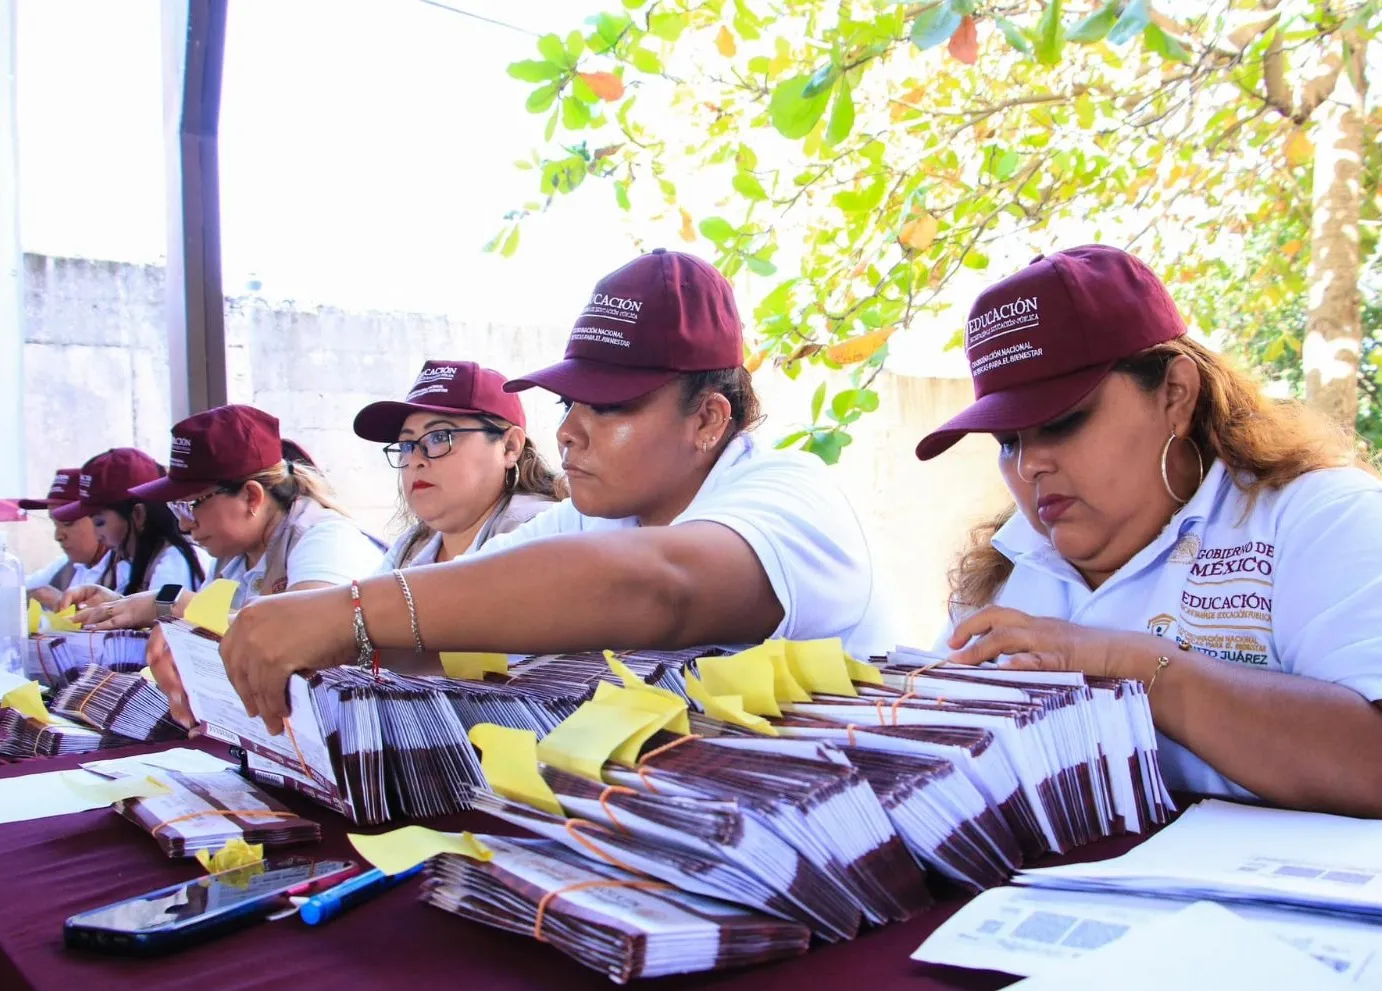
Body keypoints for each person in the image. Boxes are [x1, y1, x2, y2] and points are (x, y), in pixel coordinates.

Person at [199, 249, 896, 731]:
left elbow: (657, 588)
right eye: (570, 405)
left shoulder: (789, 494)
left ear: (709, 419)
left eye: (611, 406)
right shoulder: (596, 521)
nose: (570, 433)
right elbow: (456, 612)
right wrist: (267, 641)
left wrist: (348, 611)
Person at [921, 244, 1382, 823]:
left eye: (1063, 419)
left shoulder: (1323, 517)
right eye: (1007, 441)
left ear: (1176, 394)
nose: (1029, 465)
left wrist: (1130, 668)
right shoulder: (1009, 567)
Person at [76, 404, 384, 630]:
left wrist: (169, 603)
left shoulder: (323, 538)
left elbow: (301, 628)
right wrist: (125, 607)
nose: (184, 524)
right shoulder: (232, 559)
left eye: (191, 505)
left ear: (252, 497)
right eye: (175, 508)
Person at [354, 360, 563, 568]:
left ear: (509, 447)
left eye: (439, 437)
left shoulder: (542, 531)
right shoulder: (411, 546)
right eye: (407, 445)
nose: (415, 461)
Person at [0, 468, 115, 632]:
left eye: (68, 523)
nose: (58, 535)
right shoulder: (67, 567)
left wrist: (66, 607)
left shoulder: (127, 569)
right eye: (55, 524)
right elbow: (11, 590)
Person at [56, 448, 209, 605]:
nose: (97, 535)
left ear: (138, 515)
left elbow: (160, 624)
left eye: (99, 522)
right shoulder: (128, 563)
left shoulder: (173, 562)